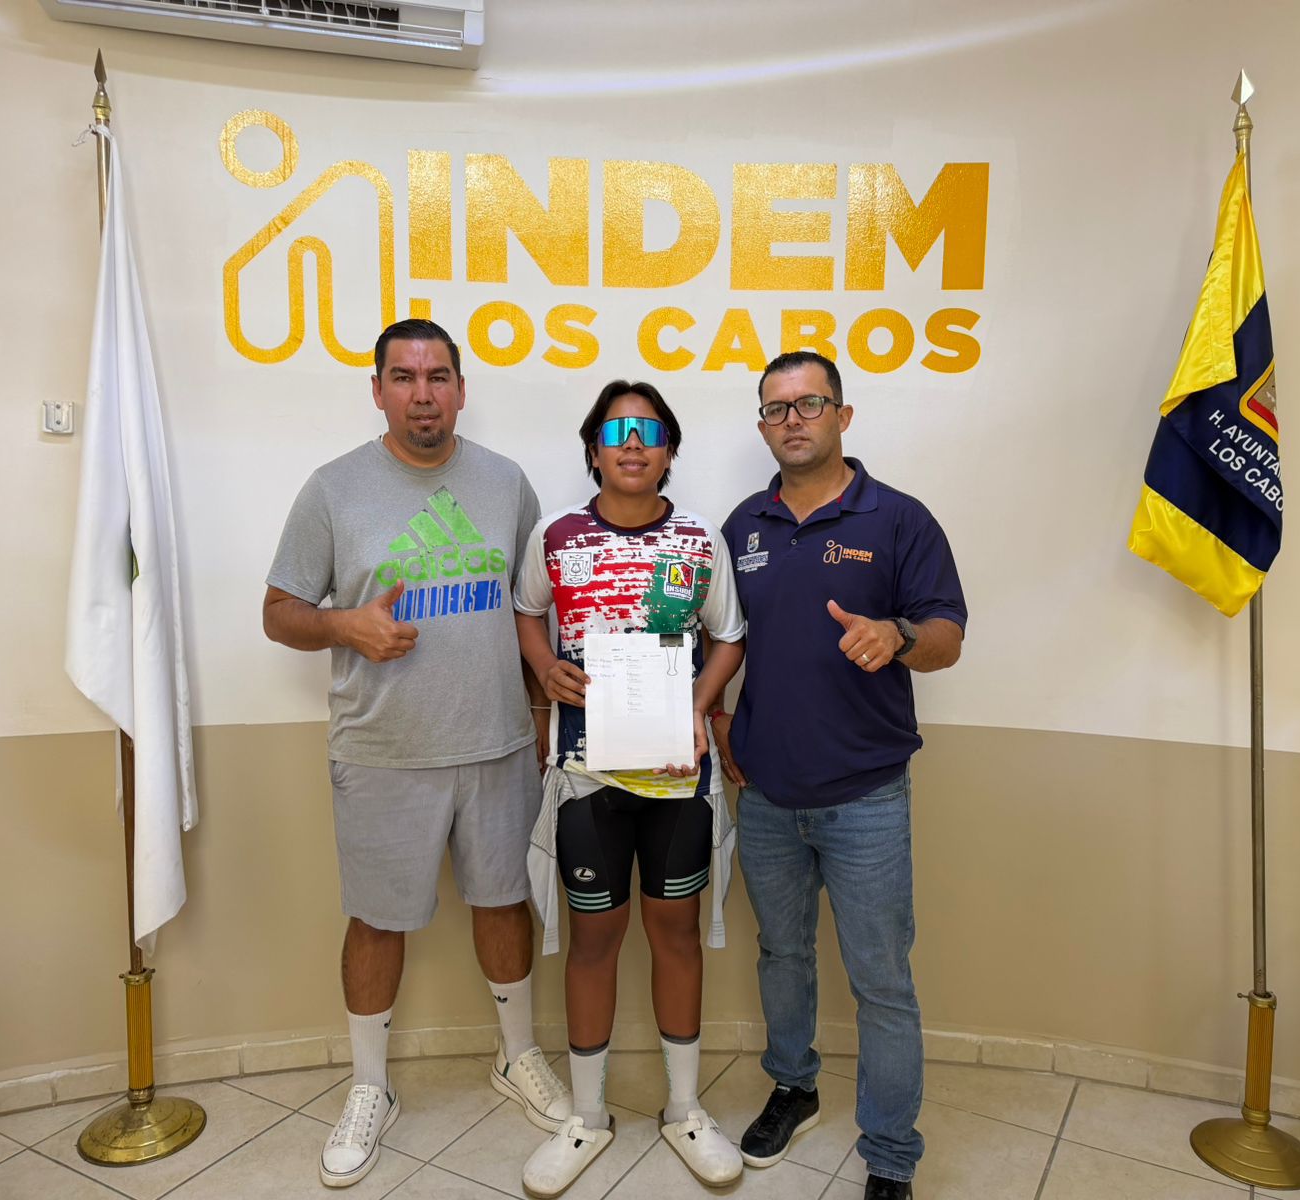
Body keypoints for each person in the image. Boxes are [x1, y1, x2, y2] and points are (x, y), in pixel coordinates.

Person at [262, 318, 570, 1188]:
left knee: (504, 903)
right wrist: (345, 626)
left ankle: (516, 1056)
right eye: (403, 377)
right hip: (383, 751)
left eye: (438, 377)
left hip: (498, 744)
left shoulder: (506, 484)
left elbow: (531, 609)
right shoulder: (333, 489)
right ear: (378, 390)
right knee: (376, 920)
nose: (423, 394)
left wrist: (540, 709)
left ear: (461, 390)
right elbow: (279, 611)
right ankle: (370, 1087)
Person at [712, 351, 967, 1200]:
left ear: (843, 416)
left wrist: (896, 634)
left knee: (882, 980)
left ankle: (890, 1152)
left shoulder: (898, 519)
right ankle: (795, 1086)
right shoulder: (743, 527)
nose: (793, 420)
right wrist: (718, 717)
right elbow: (724, 638)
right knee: (782, 954)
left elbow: (946, 636)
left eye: (809, 403)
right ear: (762, 426)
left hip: (866, 797)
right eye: (776, 408)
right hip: (766, 794)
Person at [513, 381, 747, 1196]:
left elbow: (729, 636)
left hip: (677, 780)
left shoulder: (699, 539)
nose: (634, 443)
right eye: (617, 431)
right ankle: (587, 1117)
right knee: (593, 941)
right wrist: (544, 666)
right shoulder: (555, 536)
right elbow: (526, 614)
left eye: (649, 431)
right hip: (586, 778)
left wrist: (698, 703)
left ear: (670, 449)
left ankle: (684, 1109)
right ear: (594, 450)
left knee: (676, 934)